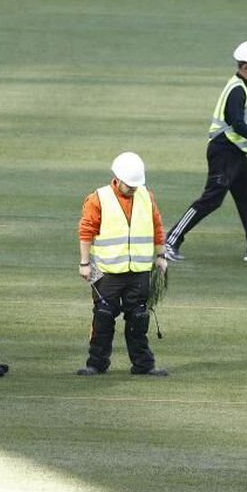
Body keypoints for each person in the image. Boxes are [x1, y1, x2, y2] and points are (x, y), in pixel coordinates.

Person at [164, 40, 247, 264]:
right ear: (245, 66)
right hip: (224, 153)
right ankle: (170, 241)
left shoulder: (241, 87)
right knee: (211, 200)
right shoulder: (236, 90)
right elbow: (238, 126)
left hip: (235, 155)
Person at [76, 152, 168, 377]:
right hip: (106, 271)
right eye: (130, 185)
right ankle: (96, 364)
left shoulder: (146, 196)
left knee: (139, 317)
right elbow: (86, 231)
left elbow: (157, 227)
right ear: (117, 178)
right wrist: (84, 263)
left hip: (139, 271)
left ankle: (143, 365)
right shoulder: (98, 198)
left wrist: (161, 256)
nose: (134, 188)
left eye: (137, 185)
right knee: (103, 315)